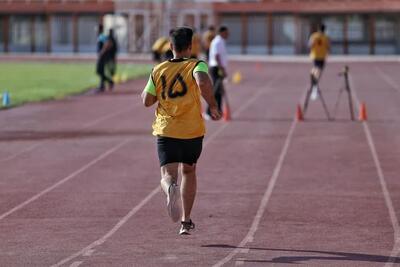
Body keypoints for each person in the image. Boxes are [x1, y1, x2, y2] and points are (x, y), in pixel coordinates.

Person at [141, 27, 221, 235]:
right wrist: (212, 105)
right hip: (192, 131)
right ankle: (185, 221)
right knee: (189, 171)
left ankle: (169, 188)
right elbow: (202, 81)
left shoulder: (158, 70)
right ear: (190, 46)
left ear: (170, 46)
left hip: (167, 129)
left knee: (168, 174)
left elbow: (146, 101)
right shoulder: (197, 64)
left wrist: (157, 89)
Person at [206, 26, 229, 119]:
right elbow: (216, 56)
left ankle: (218, 111)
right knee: (215, 91)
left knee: (219, 91)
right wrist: (222, 69)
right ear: (222, 32)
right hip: (216, 68)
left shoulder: (221, 41)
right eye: (227, 33)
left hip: (218, 68)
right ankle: (208, 112)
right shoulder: (217, 41)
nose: (228, 35)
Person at [96, 26, 114, 92]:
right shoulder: (101, 36)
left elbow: (109, 43)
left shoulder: (102, 36)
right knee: (101, 71)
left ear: (99, 29)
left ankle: (109, 82)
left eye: (97, 29)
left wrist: (102, 51)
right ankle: (102, 85)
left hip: (102, 56)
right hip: (102, 56)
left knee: (99, 71)